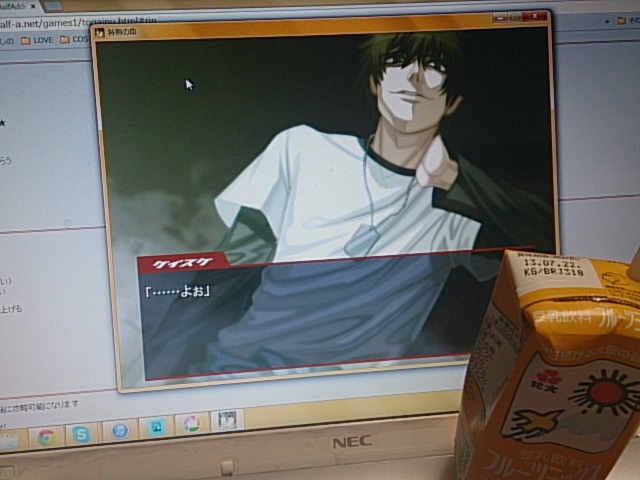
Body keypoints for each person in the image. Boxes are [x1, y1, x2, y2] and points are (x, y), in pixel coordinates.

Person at [145, 32, 554, 379]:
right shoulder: (302, 149)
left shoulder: (457, 204)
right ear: (376, 81)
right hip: (242, 372)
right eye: (397, 61)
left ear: (453, 101)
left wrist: (454, 178)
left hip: (351, 395)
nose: (413, 76)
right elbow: (226, 276)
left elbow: (554, 241)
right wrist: (162, 373)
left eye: (434, 66)